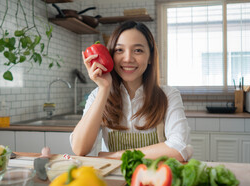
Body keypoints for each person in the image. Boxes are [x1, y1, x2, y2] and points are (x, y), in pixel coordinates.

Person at [70, 21, 192, 162]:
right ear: (111, 56)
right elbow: (79, 148)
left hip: (157, 178)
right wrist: (104, 89)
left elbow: (178, 148)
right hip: (114, 179)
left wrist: (115, 156)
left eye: (138, 50)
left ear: (151, 57)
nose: (128, 59)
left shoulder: (168, 95)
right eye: (119, 50)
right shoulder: (97, 96)